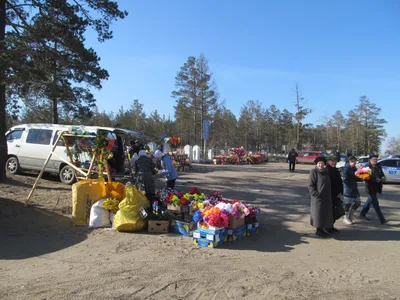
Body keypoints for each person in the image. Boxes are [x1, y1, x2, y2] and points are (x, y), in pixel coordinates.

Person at [359, 154, 389, 224]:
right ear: (370, 160)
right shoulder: (367, 167)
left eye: (376, 159)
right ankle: (382, 220)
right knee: (376, 204)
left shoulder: (378, 166)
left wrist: (383, 178)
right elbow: (365, 178)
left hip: (376, 187)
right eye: (374, 159)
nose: (375, 160)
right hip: (370, 187)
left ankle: (362, 214)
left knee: (369, 201)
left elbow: (382, 174)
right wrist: (375, 179)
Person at [308, 156, 334, 238]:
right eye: (319, 163)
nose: (320, 165)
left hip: (326, 197)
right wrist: (316, 194)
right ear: (316, 164)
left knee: (325, 213)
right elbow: (310, 185)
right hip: (318, 198)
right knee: (318, 214)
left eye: (322, 163)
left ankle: (323, 229)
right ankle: (318, 230)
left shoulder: (326, 172)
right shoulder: (313, 171)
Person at [326, 156, 344, 233]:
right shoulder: (326, 170)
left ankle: (331, 226)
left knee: (336, 212)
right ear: (328, 161)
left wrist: (340, 192)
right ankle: (327, 227)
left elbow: (340, 183)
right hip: (328, 195)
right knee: (329, 212)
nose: (333, 162)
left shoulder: (336, 170)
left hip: (337, 195)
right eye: (332, 161)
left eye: (335, 161)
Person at [342, 156, 361, 224]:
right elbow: (345, 180)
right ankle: (345, 218)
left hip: (354, 188)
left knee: (358, 202)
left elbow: (357, 177)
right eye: (353, 162)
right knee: (347, 204)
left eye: (355, 162)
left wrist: (361, 177)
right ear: (349, 162)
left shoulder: (354, 168)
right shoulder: (346, 169)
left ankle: (351, 216)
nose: (355, 163)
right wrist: (354, 175)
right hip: (348, 189)